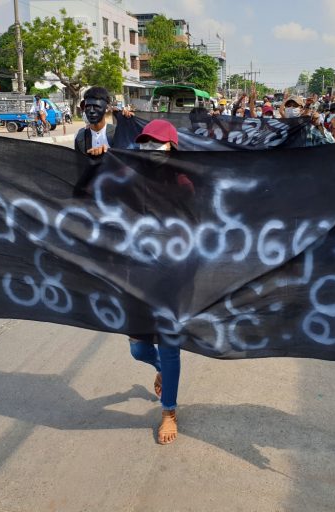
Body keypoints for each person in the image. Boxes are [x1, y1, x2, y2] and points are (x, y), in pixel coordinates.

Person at [130, 119, 188, 444]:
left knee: (169, 346)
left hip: (173, 276)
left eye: (156, 144)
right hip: (138, 275)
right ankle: (161, 369)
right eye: (144, 144)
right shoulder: (132, 179)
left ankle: (168, 411)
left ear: (171, 147)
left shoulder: (185, 182)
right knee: (138, 349)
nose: (149, 149)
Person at [74, 87, 115, 156]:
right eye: (88, 107)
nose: (91, 111)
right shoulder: (80, 137)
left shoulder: (117, 133)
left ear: (107, 108)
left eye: (96, 106)